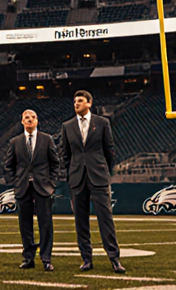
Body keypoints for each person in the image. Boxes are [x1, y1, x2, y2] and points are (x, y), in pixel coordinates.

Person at [59, 90, 124, 274]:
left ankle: (114, 258)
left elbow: (109, 151)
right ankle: (86, 258)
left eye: (80, 101)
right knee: (80, 221)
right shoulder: (67, 126)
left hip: (98, 177)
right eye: (74, 101)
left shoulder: (102, 123)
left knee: (105, 218)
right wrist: (71, 174)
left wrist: (104, 172)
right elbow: (66, 154)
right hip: (77, 178)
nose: (76, 104)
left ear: (89, 103)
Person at [4, 109, 59, 272]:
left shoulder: (46, 139)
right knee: (25, 224)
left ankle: (46, 258)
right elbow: (8, 165)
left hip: (43, 188)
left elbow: (55, 163)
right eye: (26, 117)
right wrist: (15, 182)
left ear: (37, 121)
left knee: (46, 224)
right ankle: (28, 258)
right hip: (22, 188)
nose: (29, 119)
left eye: (32, 117)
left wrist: (51, 183)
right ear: (22, 121)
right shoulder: (15, 142)